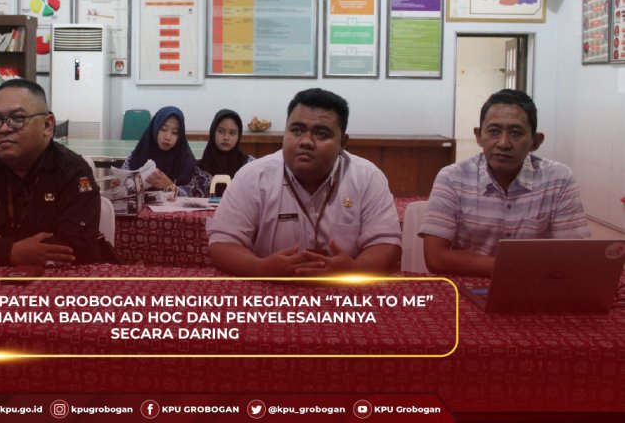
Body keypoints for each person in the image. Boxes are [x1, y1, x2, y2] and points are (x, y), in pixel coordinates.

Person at [206, 88, 401, 276]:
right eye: (297, 130)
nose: (306, 141)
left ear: (343, 142)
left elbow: (386, 244)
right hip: (269, 290)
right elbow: (222, 242)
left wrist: (355, 270)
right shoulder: (253, 176)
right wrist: (260, 268)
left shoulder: (367, 178)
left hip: (344, 292)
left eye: (321, 134)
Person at [421, 89, 589, 278]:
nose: (503, 143)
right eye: (494, 131)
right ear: (478, 136)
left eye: (515, 133)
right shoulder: (452, 178)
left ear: (535, 141)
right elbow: (436, 258)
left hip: (535, 286)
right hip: (468, 286)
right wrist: (522, 267)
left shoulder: (558, 179)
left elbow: (574, 255)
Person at [0, 78, 102, 266]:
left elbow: (76, 247)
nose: (4, 129)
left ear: (47, 125)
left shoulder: (74, 172)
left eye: (17, 118)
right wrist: (11, 251)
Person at [121, 106, 210, 197]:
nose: (168, 137)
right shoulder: (137, 156)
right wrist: (119, 185)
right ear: (155, 128)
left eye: (175, 132)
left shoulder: (186, 161)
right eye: (163, 129)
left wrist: (170, 186)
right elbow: (121, 185)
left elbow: (198, 195)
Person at [197, 109, 254, 181]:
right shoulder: (198, 170)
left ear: (239, 136)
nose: (226, 137)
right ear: (213, 132)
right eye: (221, 131)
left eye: (232, 133)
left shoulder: (250, 166)